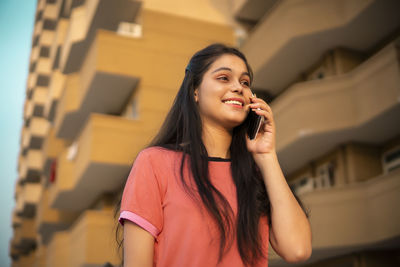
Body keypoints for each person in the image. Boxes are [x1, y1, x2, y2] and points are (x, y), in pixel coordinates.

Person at [117, 43, 312, 267]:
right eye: (223, 78)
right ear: (195, 91)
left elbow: (298, 250)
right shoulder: (154, 162)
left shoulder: (256, 175)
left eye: (245, 82)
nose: (238, 87)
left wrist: (266, 155)